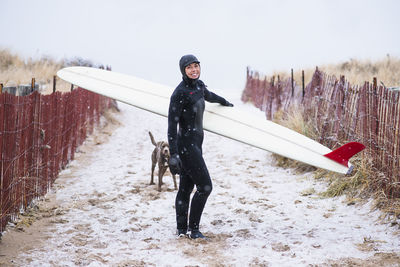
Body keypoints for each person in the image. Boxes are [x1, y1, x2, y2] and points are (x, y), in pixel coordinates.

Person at [167, 54, 234, 239]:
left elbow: (209, 96)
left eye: (196, 66)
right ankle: (193, 230)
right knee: (205, 187)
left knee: (186, 188)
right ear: (183, 70)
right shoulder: (179, 93)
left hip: (196, 144)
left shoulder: (199, 86)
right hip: (186, 146)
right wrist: (173, 154)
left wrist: (224, 102)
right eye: (189, 67)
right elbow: (172, 125)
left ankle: (182, 230)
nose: (194, 70)